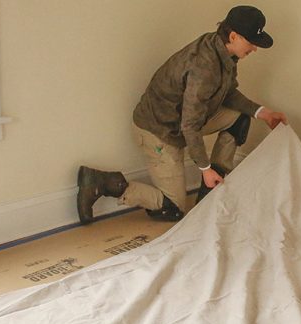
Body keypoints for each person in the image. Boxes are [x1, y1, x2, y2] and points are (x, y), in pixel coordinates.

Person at [77, 5, 288, 224]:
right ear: (233, 36)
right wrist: (204, 169)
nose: (254, 48)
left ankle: (211, 191)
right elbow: (190, 125)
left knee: (240, 117)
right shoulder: (204, 67)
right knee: (174, 209)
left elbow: (227, 93)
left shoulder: (222, 50)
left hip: (182, 121)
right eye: (252, 42)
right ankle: (103, 183)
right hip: (159, 130)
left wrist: (263, 113)